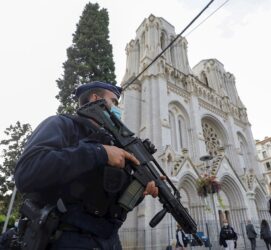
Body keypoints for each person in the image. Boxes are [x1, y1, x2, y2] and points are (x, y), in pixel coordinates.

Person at [14, 81, 161, 249]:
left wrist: (140, 189)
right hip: (63, 238)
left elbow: (114, 207)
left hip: (108, 242)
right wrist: (99, 153)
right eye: (114, 101)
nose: (118, 109)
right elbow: (26, 172)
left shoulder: (114, 146)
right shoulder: (62, 125)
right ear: (95, 99)